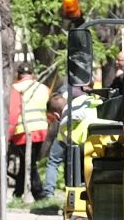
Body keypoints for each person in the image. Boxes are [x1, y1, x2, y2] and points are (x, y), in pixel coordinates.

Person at [42, 86, 102, 198]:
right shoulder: (81, 102)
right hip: (101, 140)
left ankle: (49, 193)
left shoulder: (66, 121)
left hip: (81, 145)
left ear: (56, 115)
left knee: (55, 163)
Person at [8, 62, 49, 200]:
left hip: (23, 133)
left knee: (29, 164)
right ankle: (18, 192)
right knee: (28, 162)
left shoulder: (15, 88)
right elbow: (49, 110)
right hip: (42, 131)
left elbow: (13, 113)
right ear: (33, 74)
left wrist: (8, 134)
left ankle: (39, 194)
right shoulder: (43, 88)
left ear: (18, 74)